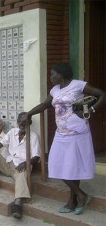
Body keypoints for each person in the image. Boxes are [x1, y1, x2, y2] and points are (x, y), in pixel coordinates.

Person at [23, 62, 105, 215]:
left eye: (53, 74)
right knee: (56, 165)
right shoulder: (54, 90)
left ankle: (73, 200)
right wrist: (29, 113)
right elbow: (44, 105)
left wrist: (92, 110)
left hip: (78, 132)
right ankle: (81, 195)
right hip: (61, 134)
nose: (51, 77)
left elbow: (102, 95)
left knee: (74, 166)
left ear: (62, 74)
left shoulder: (78, 85)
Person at [0, 112, 40, 219]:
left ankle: (18, 203)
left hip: (20, 167)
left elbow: (37, 156)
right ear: (17, 122)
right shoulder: (13, 132)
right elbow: (0, 145)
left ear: (30, 123)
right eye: (21, 122)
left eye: (25, 122)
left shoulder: (33, 136)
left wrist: (26, 163)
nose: (23, 124)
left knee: (22, 173)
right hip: (8, 164)